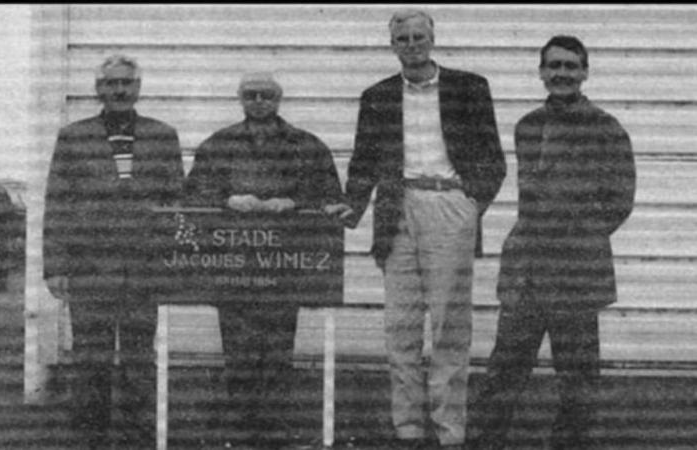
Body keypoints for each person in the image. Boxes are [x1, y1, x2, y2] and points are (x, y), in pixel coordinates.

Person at [325, 9, 506, 450]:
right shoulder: (378, 95)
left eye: (418, 36)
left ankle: (450, 430)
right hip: (397, 209)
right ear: (392, 45)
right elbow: (364, 161)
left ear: (432, 38)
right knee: (400, 324)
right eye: (402, 38)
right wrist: (352, 206)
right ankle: (407, 427)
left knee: (449, 324)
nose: (411, 44)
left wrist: (470, 204)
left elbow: (492, 159)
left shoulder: (469, 87)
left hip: (450, 205)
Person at [472, 35, 636, 450]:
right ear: (541, 72)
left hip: (576, 275)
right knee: (503, 373)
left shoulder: (605, 127)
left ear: (584, 72)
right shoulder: (527, 126)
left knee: (578, 382)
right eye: (554, 66)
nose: (561, 74)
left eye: (570, 66)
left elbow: (619, 200)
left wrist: (575, 239)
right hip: (527, 273)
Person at [184, 72, 344, 447]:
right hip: (233, 265)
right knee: (237, 351)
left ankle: (274, 431)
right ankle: (240, 432)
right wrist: (226, 200)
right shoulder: (218, 144)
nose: (259, 101)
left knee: (277, 350)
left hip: (285, 266)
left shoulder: (306, 145)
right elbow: (192, 193)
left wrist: (294, 202)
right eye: (251, 95)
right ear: (240, 99)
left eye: (267, 95)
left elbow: (329, 193)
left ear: (279, 99)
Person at [43, 54, 185, 449]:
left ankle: (140, 438)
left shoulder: (162, 135)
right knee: (91, 358)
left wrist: (171, 258)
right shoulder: (73, 137)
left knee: (141, 359)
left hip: (144, 267)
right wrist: (55, 266)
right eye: (111, 84)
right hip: (91, 267)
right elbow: (58, 203)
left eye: (126, 83)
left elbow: (177, 201)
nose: (119, 90)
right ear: (98, 90)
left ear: (138, 88)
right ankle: (91, 439)